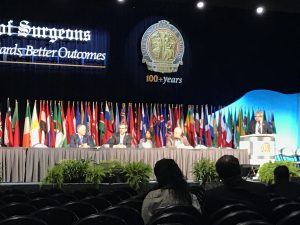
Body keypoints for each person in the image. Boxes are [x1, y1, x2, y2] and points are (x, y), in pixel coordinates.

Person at [202, 155, 271, 221]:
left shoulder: (210, 196)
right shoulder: (261, 190)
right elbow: (269, 217)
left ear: (219, 175)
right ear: (240, 170)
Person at [142, 158, 201, 224]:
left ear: (158, 177)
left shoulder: (152, 197)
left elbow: (146, 220)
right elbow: (197, 218)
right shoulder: (190, 197)